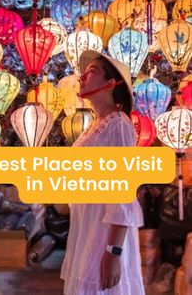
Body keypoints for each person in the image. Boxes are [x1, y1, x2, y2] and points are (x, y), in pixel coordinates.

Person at [61, 50, 145, 295]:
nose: (81, 77)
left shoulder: (118, 123)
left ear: (110, 84)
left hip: (103, 237)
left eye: (92, 71)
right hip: (87, 230)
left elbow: (122, 192)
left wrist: (114, 253)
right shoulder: (96, 126)